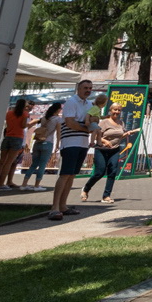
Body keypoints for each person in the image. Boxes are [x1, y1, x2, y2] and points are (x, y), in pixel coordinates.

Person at [50, 80, 96, 220]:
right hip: (70, 142)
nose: (87, 90)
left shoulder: (90, 104)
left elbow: (94, 119)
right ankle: (54, 207)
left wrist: (94, 123)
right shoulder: (71, 102)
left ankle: (63, 205)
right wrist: (86, 128)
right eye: (85, 88)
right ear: (78, 89)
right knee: (65, 174)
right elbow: (69, 122)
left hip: (82, 142)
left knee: (72, 175)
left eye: (90, 88)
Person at [82, 102, 135, 203]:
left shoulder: (121, 123)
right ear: (110, 111)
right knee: (99, 172)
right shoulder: (104, 122)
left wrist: (127, 134)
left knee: (113, 172)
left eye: (119, 110)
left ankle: (106, 196)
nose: (117, 112)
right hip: (101, 150)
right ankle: (86, 189)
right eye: (115, 109)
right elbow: (97, 135)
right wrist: (105, 141)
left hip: (114, 150)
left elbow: (119, 136)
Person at [0, 99, 37, 190]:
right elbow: (23, 126)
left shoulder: (9, 113)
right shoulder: (24, 114)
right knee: (9, 162)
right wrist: (30, 122)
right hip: (18, 137)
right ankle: (2, 183)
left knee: (1, 161)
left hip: (8, 136)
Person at [21, 103, 62, 191]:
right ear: (58, 110)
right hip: (48, 143)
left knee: (33, 164)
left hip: (37, 142)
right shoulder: (58, 119)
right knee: (42, 165)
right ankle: (37, 185)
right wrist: (58, 144)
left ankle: (24, 184)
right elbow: (58, 132)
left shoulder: (44, 118)